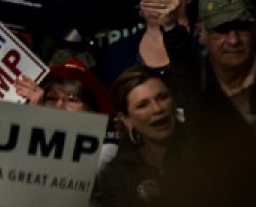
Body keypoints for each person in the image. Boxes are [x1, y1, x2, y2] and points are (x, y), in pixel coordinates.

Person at [92, 65, 255, 206]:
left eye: (163, 97)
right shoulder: (117, 174)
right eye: (143, 105)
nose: (157, 109)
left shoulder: (205, 147)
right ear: (126, 119)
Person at [158, 0, 256, 131]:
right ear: (201, 33)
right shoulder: (192, 81)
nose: (234, 40)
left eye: (242, 27)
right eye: (221, 29)